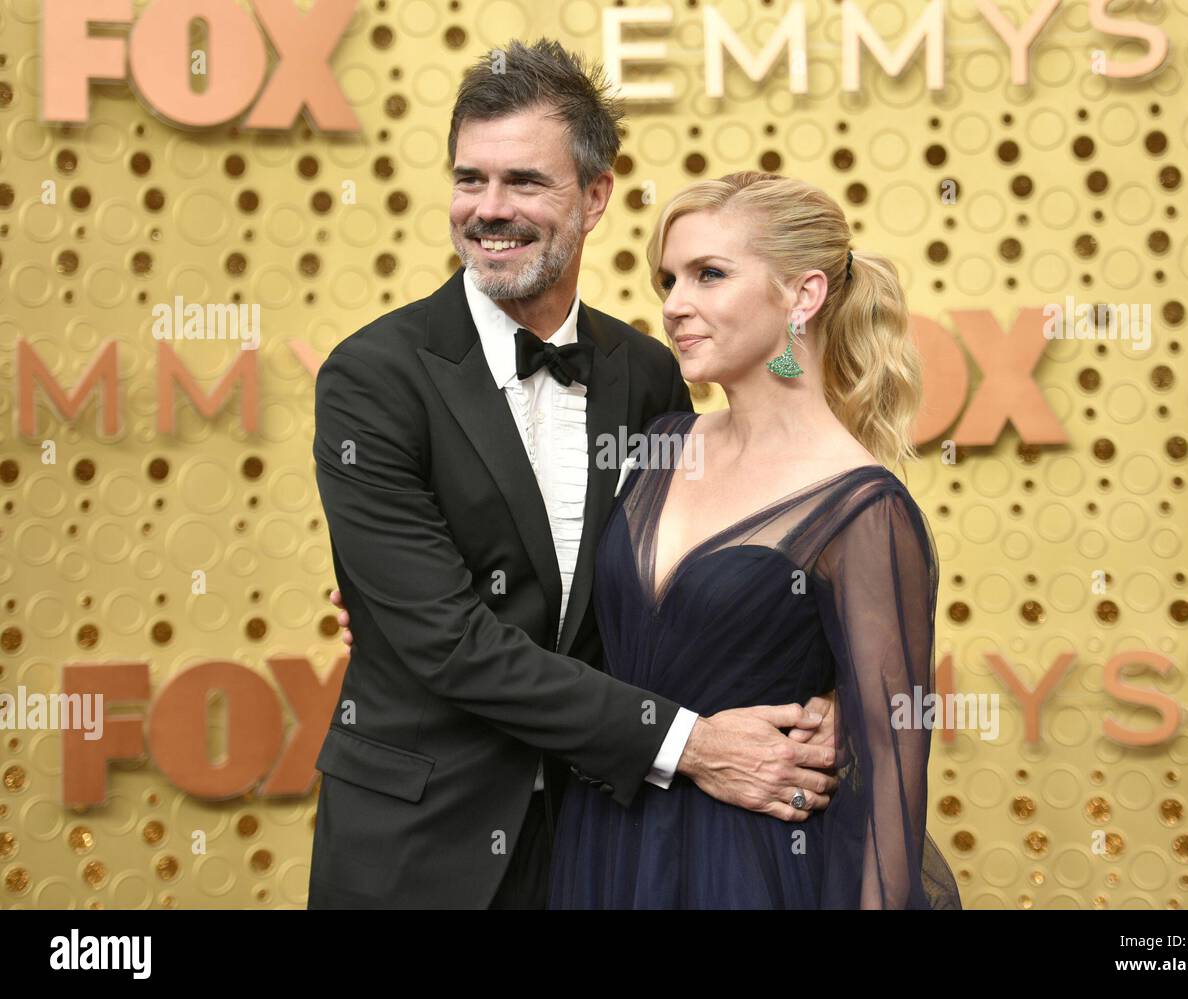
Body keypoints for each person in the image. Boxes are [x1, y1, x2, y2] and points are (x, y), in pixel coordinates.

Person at [307, 39, 841, 910]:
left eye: (524, 181)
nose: (489, 209)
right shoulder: (372, 377)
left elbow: (694, 589)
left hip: (606, 840)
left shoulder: (648, 374)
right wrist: (690, 744)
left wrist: (832, 696)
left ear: (595, 197)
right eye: (469, 179)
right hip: (417, 845)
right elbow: (447, 644)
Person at [545, 170, 964, 908]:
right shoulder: (660, 444)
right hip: (605, 843)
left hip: (749, 866)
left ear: (802, 296)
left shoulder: (864, 506)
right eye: (668, 279)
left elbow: (890, 787)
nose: (675, 305)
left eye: (710, 275)